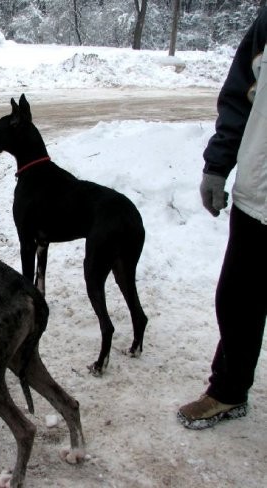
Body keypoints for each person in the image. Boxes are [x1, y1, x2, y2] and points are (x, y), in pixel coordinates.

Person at [177, 8, 267, 430]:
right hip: (260, 194)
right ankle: (228, 391)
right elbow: (239, 96)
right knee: (236, 300)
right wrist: (217, 165)